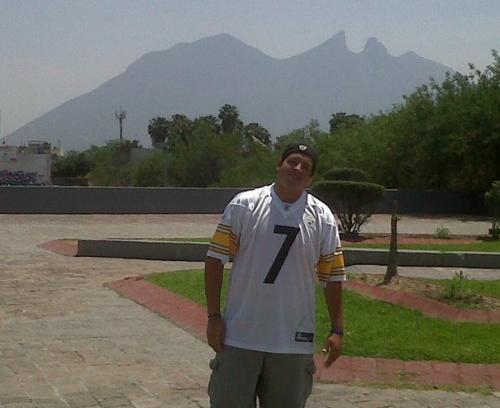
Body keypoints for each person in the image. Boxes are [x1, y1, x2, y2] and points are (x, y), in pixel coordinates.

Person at [204, 142, 346, 408]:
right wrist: (213, 317)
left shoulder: (323, 217)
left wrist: (337, 329)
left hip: (293, 342)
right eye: (292, 161)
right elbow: (215, 260)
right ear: (279, 165)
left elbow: (333, 277)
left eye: (305, 166)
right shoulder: (245, 205)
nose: (297, 168)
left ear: (311, 178)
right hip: (240, 336)